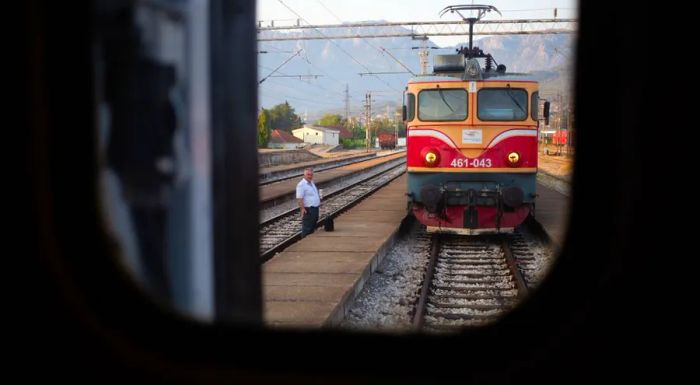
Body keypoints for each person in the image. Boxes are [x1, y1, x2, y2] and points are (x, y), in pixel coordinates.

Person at [296, 168, 321, 237]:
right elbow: (299, 198)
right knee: (307, 228)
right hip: (308, 209)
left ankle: (310, 240)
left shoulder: (312, 182)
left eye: (311, 175)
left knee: (312, 227)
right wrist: (302, 208)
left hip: (315, 208)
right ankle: (304, 241)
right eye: (308, 175)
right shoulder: (301, 185)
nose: (310, 176)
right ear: (304, 175)